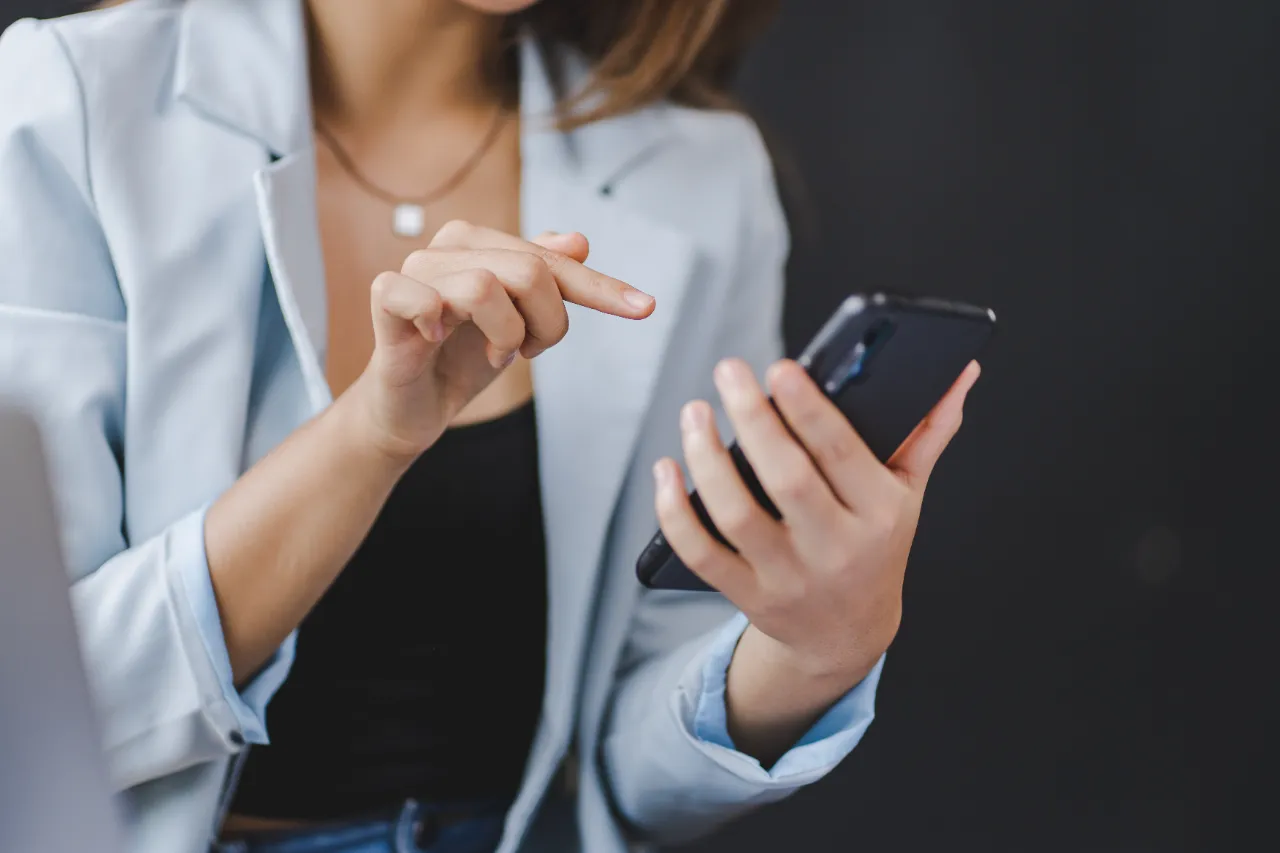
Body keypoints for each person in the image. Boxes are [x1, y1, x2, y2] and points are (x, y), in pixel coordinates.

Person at [0, 1, 980, 851]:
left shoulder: (699, 174)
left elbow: (627, 766)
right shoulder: (70, 104)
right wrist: (370, 436)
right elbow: (32, 705)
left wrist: (812, 652)